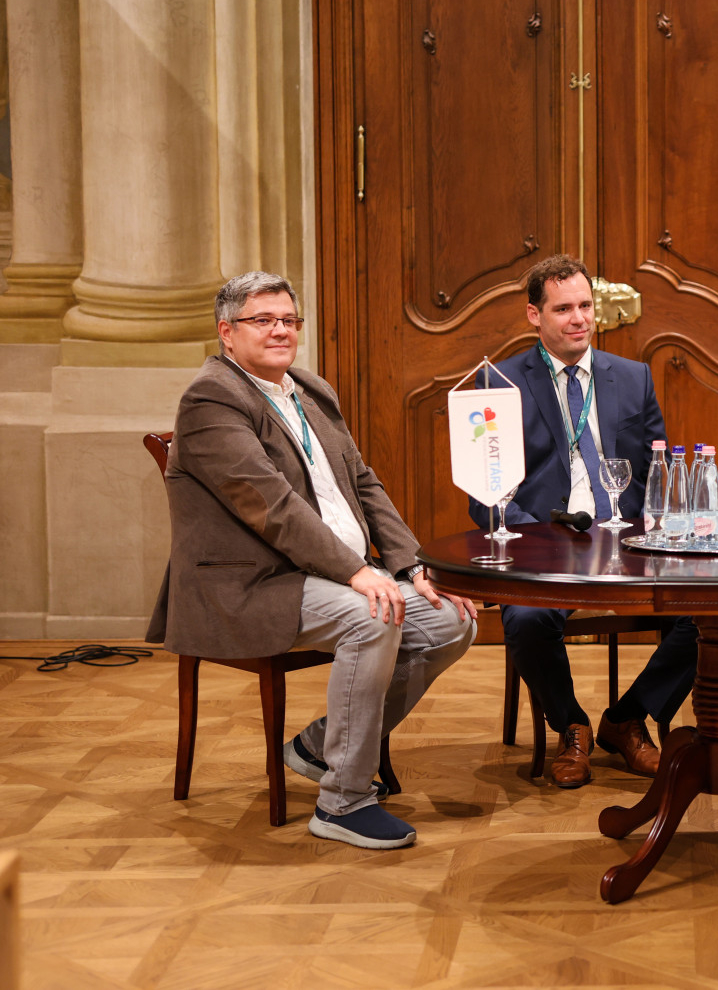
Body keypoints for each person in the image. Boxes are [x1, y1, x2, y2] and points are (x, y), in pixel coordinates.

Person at [147, 271, 478, 850]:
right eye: (262, 320)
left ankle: (318, 746)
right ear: (226, 332)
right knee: (372, 617)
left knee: (453, 619)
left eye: (288, 320)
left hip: (325, 572)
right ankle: (342, 802)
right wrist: (357, 572)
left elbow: (363, 482)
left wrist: (410, 567)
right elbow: (270, 506)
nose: (280, 330)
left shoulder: (309, 389)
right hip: (250, 584)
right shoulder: (211, 399)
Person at [470, 253, 698, 789]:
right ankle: (571, 725)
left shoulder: (633, 377)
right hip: (544, 542)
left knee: (712, 613)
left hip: (628, 542)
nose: (579, 319)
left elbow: (657, 471)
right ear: (535, 315)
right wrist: (531, 537)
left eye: (585, 306)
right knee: (527, 619)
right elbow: (485, 492)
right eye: (563, 309)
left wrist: (657, 528)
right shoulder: (499, 383)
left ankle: (628, 719)